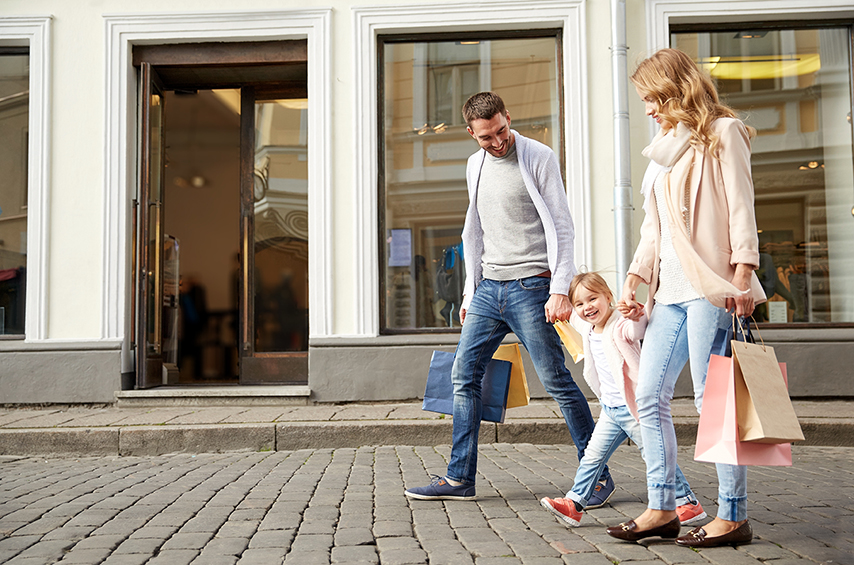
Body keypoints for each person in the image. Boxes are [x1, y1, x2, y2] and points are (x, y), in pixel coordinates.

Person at [405, 92, 612, 503]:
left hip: (531, 287)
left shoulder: (538, 156)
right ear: (471, 133)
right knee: (463, 377)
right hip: (488, 289)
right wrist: (470, 290)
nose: (497, 142)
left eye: (500, 131)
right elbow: (474, 229)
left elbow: (563, 227)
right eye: (486, 137)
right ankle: (459, 478)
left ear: (507, 118)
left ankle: (597, 477)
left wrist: (559, 290)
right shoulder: (474, 164)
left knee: (556, 381)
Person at [605, 48, 765, 547]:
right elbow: (655, 224)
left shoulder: (723, 131)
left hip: (709, 287)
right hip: (668, 292)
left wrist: (742, 275)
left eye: (652, 98)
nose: (648, 109)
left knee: (711, 398)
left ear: (676, 88)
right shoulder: (666, 145)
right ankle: (662, 507)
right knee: (647, 396)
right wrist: (634, 275)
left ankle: (733, 515)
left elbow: (741, 207)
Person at [540, 272, 706, 527]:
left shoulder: (619, 324)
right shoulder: (589, 328)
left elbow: (635, 330)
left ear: (608, 297)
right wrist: (557, 299)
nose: (587, 308)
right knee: (592, 457)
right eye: (580, 304)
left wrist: (636, 314)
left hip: (634, 406)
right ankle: (574, 504)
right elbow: (570, 314)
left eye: (593, 299)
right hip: (610, 409)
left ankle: (687, 502)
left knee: (654, 453)